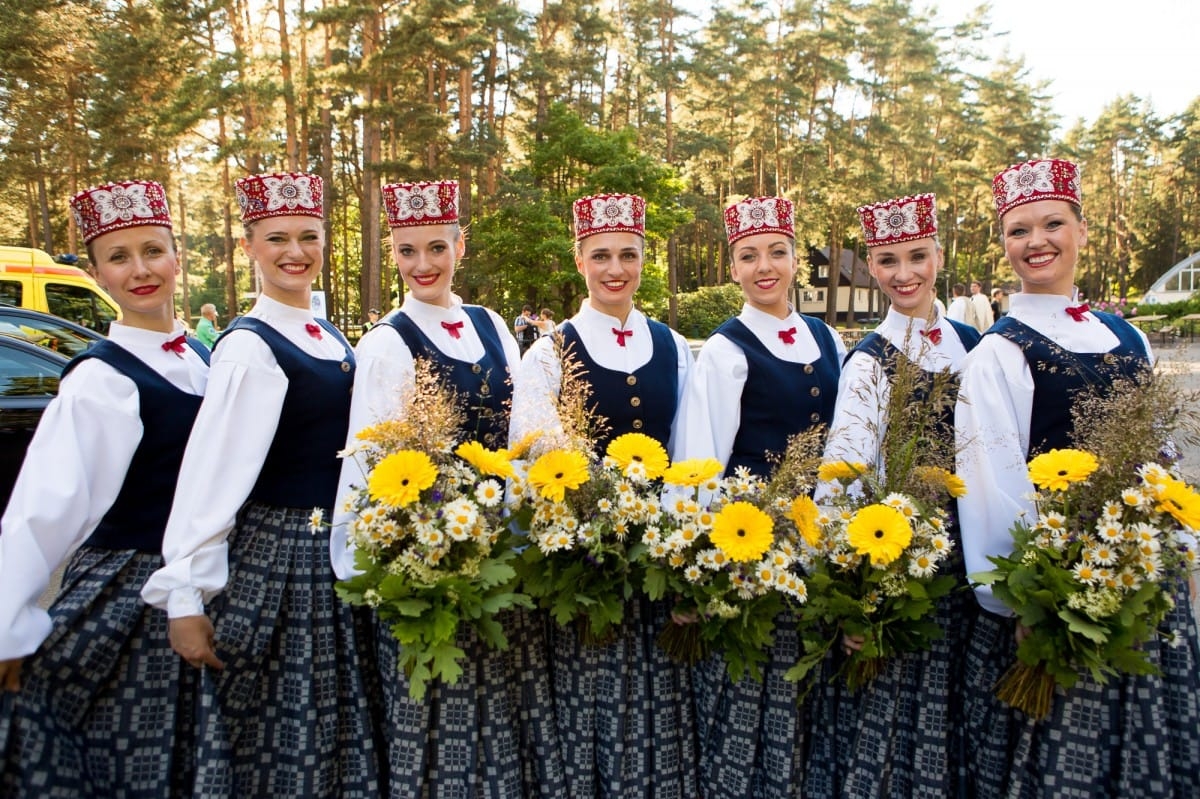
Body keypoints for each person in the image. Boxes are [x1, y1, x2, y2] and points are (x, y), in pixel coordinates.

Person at [956, 158, 1200, 797]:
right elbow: (993, 480)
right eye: (1018, 230)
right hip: (1059, 585)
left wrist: (1181, 547)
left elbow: (1161, 454)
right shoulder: (999, 352)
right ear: (1004, 244)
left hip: (1142, 568)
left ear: (1083, 232)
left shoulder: (1129, 337)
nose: (1036, 241)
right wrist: (1023, 598)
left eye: (1053, 224)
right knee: (1064, 752)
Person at [140, 172, 379, 796]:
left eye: (309, 237)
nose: (295, 252)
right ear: (248, 246)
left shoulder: (324, 333)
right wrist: (186, 597)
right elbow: (213, 474)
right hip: (283, 557)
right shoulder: (250, 348)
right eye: (278, 238)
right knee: (284, 726)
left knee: (332, 723)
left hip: (333, 550)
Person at [331, 179, 564, 797]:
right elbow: (370, 459)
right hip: (436, 549)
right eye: (408, 251)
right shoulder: (387, 342)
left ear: (460, 246)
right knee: (446, 707)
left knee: (505, 703)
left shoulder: (491, 324)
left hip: (502, 545)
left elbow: (521, 434)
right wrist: (373, 562)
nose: (423, 265)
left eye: (437, 246)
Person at [0, 180, 209, 796]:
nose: (140, 270)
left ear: (178, 256)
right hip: (131, 593)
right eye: (119, 257)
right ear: (96, 273)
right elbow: (43, 508)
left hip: (201, 585)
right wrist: (6, 626)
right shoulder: (100, 380)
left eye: (153, 250)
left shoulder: (201, 358)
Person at [510, 192, 697, 798]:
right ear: (579, 260)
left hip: (661, 553)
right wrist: (599, 509)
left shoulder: (672, 345)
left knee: (660, 698)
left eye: (628, 255)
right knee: (592, 692)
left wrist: (676, 530)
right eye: (601, 256)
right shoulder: (551, 349)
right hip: (589, 556)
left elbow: (692, 444)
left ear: (644, 260)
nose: (615, 269)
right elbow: (536, 442)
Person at [808, 192, 980, 797]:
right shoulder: (869, 361)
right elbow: (843, 475)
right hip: (904, 560)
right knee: (901, 712)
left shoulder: (974, 344)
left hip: (974, 558)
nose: (904, 274)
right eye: (886, 260)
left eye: (916, 255)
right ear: (872, 267)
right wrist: (856, 589)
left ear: (939, 254)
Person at [676, 195, 845, 797]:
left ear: (796, 258)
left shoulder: (826, 338)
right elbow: (701, 461)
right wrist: (701, 564)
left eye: (777, 252)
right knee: (755, 699)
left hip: (818, 546)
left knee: (810, 700)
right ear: (734, 268)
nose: (764, 266)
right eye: (749, 256)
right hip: (755, 551)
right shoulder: (726, 349)